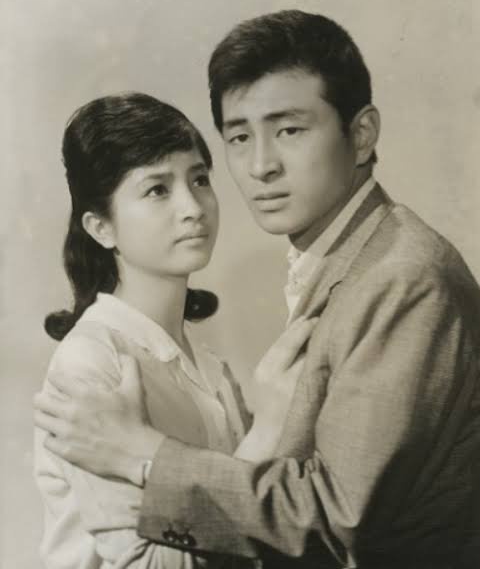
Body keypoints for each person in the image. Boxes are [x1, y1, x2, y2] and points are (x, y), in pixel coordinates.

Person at [35, 11, 480, 568]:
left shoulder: (401, 278)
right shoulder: (353, 267)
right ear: (99, 226)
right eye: (239, 137)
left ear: (362, 134)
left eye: (289, 130)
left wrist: (145, 454)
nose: (260, 166)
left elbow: (338, 520)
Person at [34, 92, 316, 569]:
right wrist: (267, 430)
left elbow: (254, 526)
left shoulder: (210, 369)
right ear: (101, 228)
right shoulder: (91, 363)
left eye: (199, 179)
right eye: (157, 190)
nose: (193, 207)